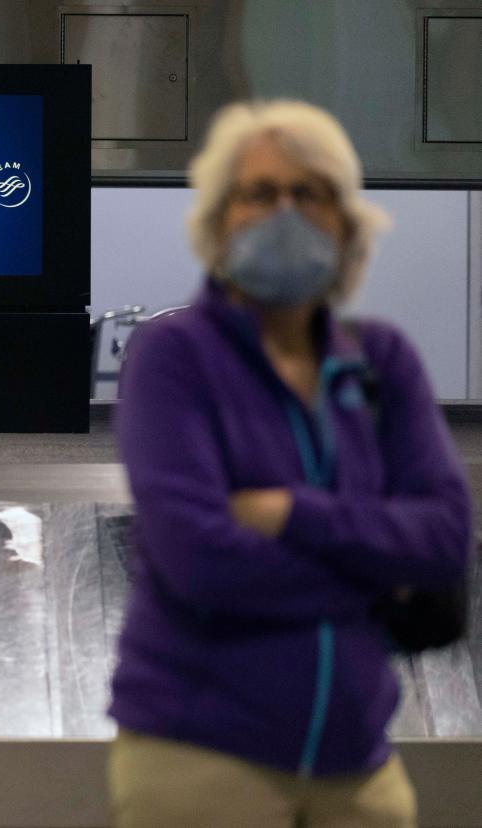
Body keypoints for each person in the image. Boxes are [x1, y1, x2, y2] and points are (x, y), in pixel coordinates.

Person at [108, 100, 472, 827]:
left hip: (358, 764)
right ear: (218, 222)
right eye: (259, 193)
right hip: (200, 760)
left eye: (309, 194)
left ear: (346, 223)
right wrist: (371, 570)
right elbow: (198, 558)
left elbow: (447, 538)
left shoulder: (381, 361)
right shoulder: (174, 359)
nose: (285, 213)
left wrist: (289, 513)